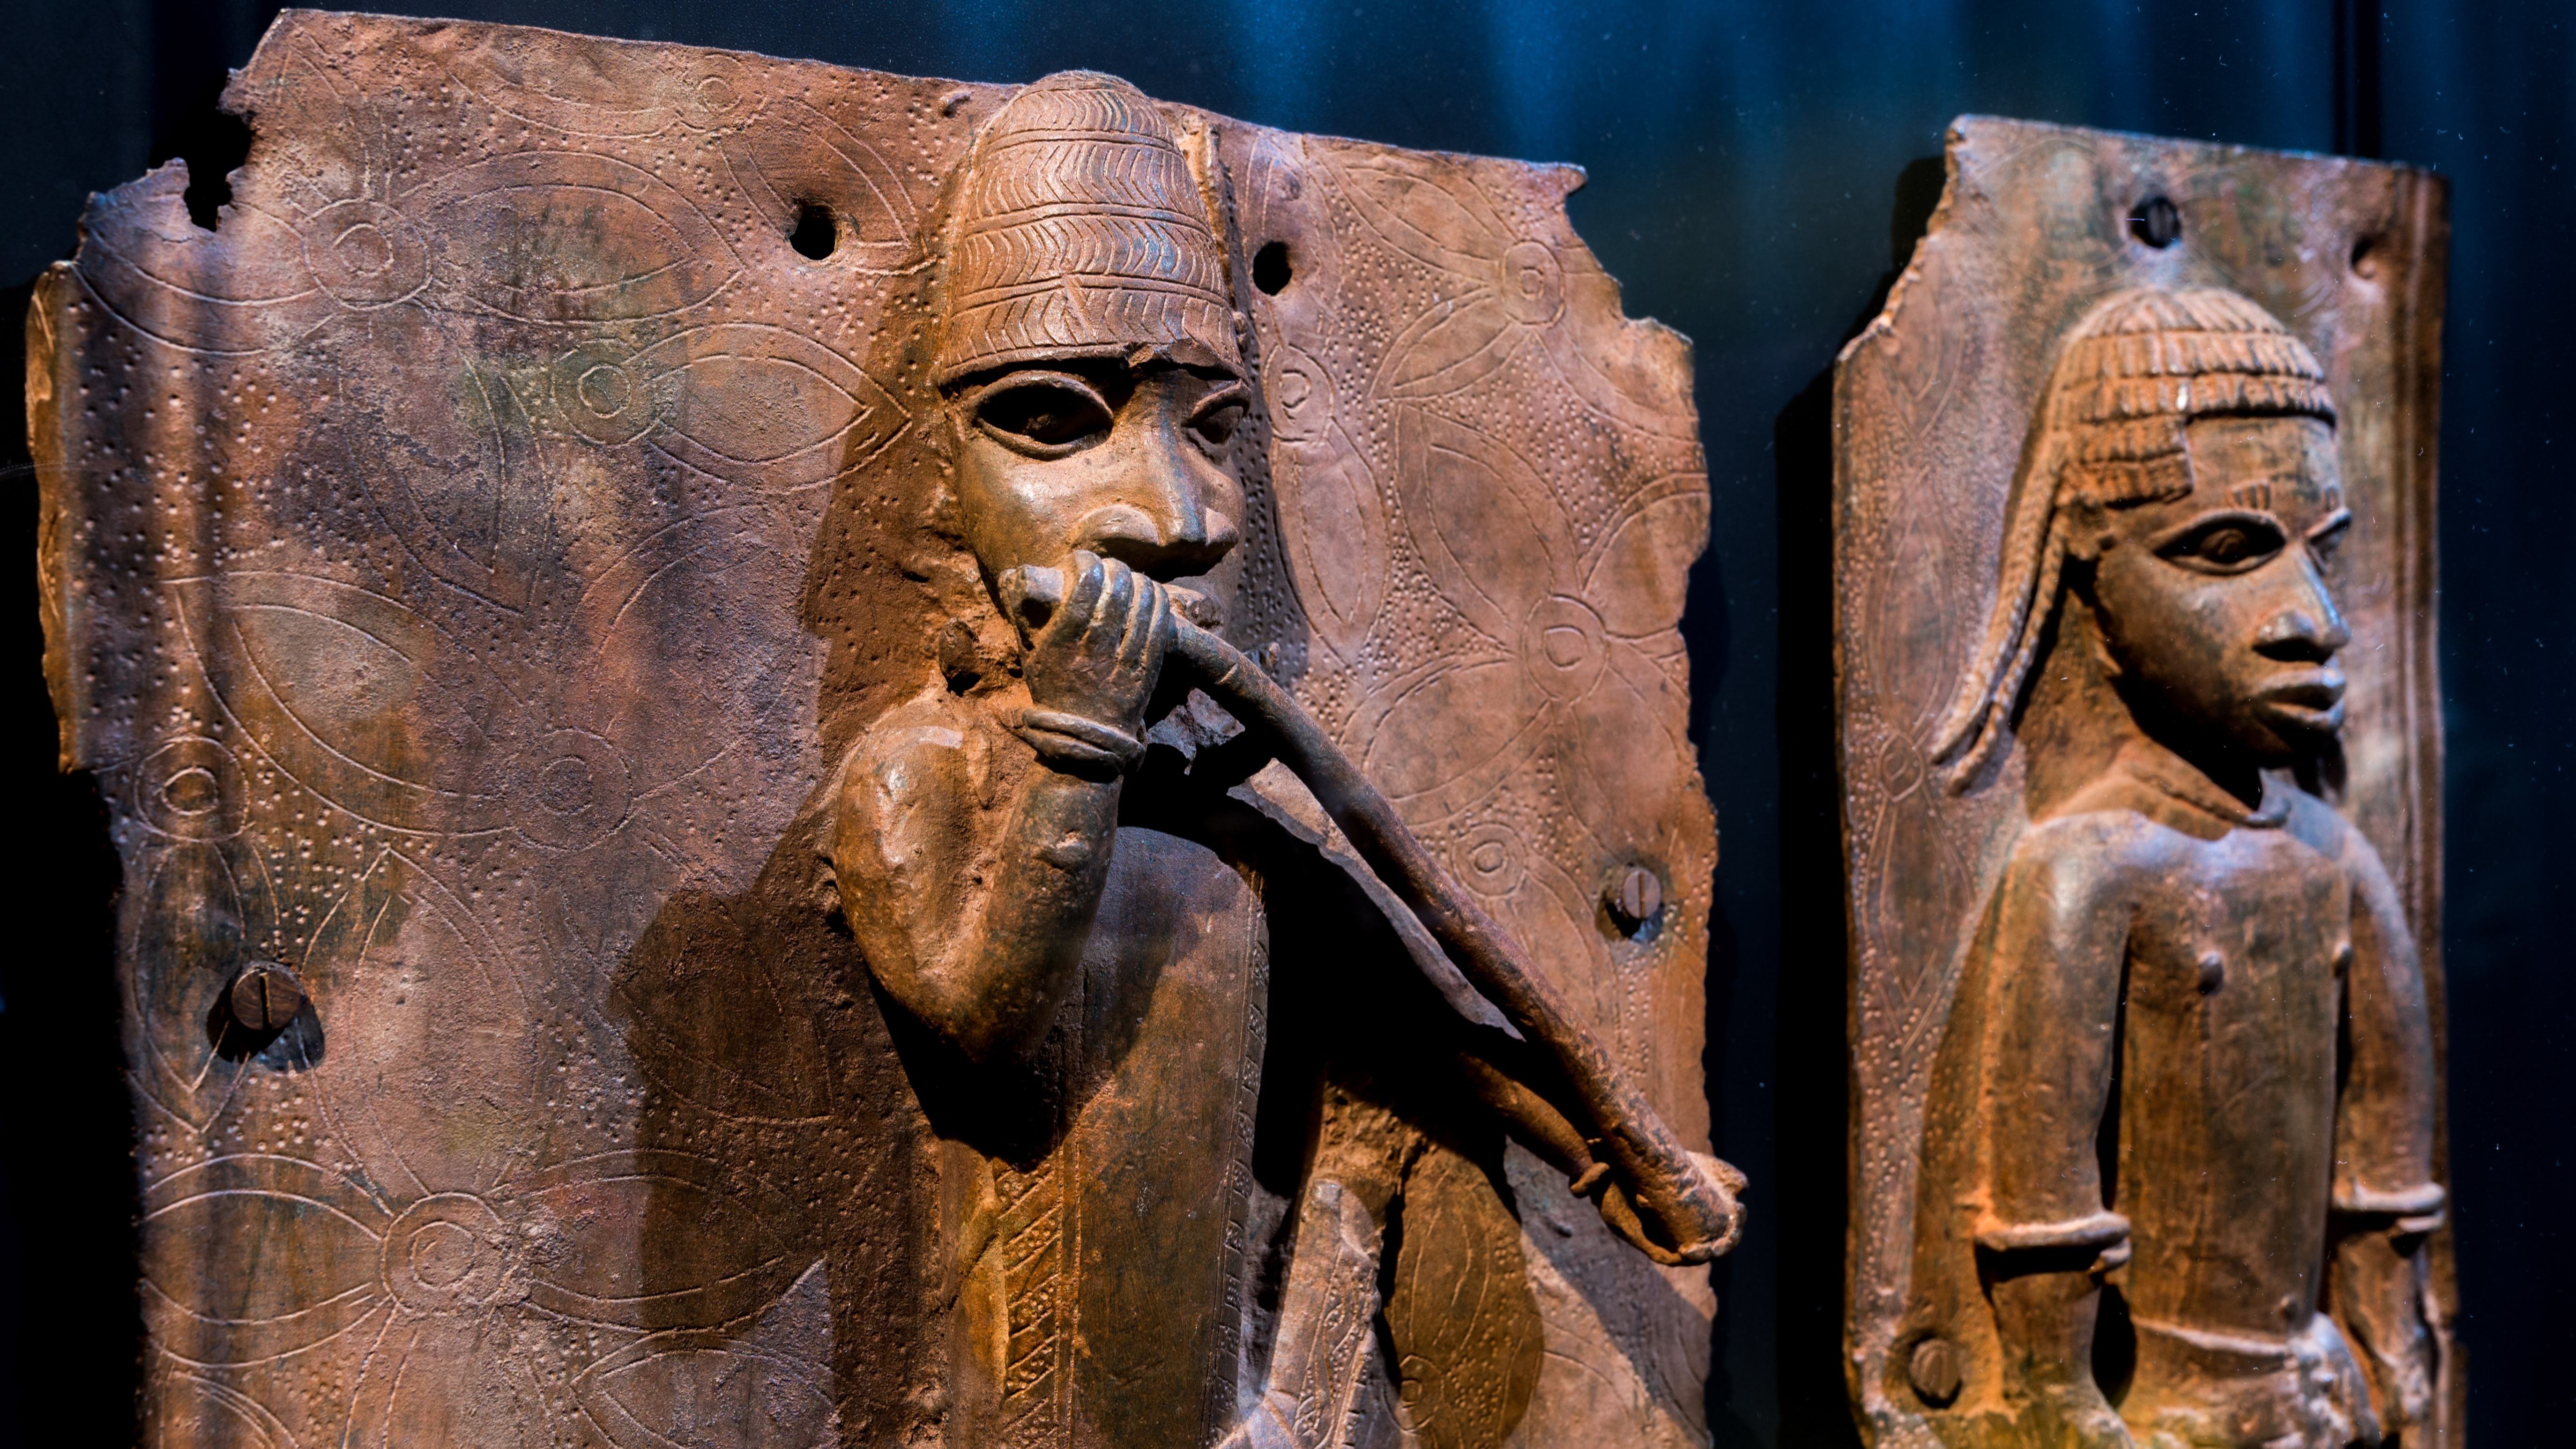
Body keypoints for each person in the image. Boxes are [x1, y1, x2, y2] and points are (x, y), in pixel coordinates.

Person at [822, 71, 1735, 1448]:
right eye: (1056, 421)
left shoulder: (1222, 818)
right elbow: (981, 1029)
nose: (1180, 518)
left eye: (1215, 432)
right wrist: (1075, 737)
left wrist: (1601, 1152)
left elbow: (1418, 1017)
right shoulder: (920, 774)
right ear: (940, 475)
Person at [1905, 286, 2447, 1449]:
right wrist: (2059, 1396)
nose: (2312, 620)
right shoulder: (2088, 867)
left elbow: (2388, 1151)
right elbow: (2041, 1189)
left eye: (2320, 554)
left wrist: (2393, 1338)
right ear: (2091, 575)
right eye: (2228, 550)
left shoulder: (2336, 856)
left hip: (2329, 1392)